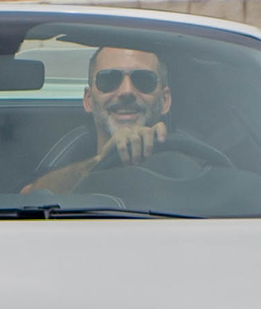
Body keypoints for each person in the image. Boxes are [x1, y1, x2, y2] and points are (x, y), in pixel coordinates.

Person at [26, 45, 177, 196]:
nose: (126, 91)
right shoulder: (67, 169)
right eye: (109, 79)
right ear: (88, 100)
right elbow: (28, 199)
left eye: (143, 80)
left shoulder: (190, 167)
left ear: (165, 100)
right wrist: (102, 161)